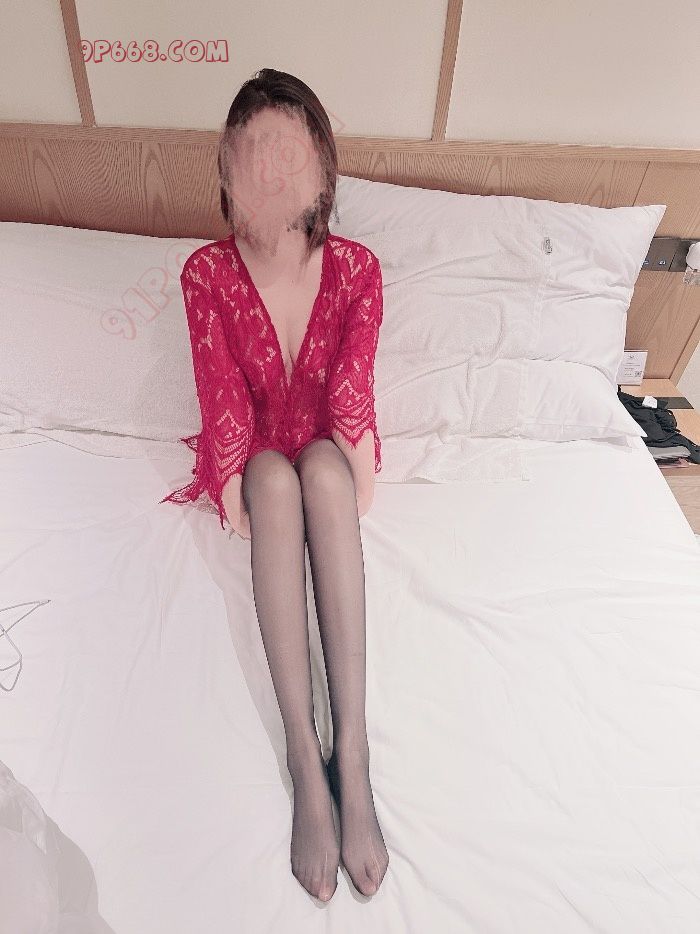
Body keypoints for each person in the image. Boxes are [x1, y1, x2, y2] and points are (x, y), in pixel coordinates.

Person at [160, 68, 389, 902]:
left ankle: (351, 753)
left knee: (321, 470)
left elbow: (352, 386)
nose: (271, 169)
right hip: (256, 457)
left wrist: (344, 462)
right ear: (229, 171)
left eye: (288, 151)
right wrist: (241, 485)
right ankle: (303, 748)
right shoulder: (206, 273)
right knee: (271, 474)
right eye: (253, 153)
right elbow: (220, 394)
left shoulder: (357, 269)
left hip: (329, 455)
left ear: (321, 166)